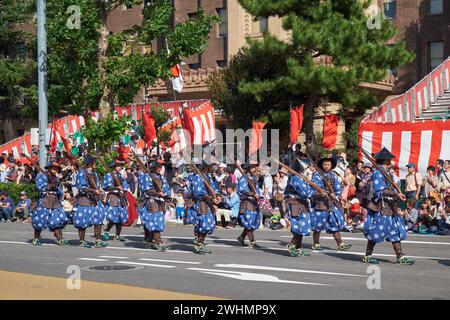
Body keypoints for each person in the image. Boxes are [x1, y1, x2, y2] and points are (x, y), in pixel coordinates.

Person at [362, 147, 414, 265]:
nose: (390, 162)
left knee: (395, 231)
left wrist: (396, 195)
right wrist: (396, 193)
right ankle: (368, 255)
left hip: (391, 206)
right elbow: (380, 191)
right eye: (389, 160)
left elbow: (389, 189)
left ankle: (400, 256)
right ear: (385, 161)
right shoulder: (377, 174)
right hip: (381, 206)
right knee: (376, 231)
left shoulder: (387, 173)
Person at [310, 157, 352, 251]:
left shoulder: (333, 175)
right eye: (325, 164)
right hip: (320, 203)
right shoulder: (317, 175)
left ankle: (340, 243)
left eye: (328, 164)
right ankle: (316, 243)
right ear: (322, 165)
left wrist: (335, 194)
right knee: (318, 225)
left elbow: (338, 188)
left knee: (334, 223)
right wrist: (323, 193)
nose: (327, 166)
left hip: (331, 203)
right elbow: (314, 189)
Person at [74, 155, 108, 248]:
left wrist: (99, 191)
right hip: (85, 199)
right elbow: (81, 188)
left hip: (95, 200)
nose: (95, 164)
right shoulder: (81, 174)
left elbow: (97, 185)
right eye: (94, 162)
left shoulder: (95, 174)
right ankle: (82, 241)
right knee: (82, 221)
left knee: (99, 220)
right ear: (89, 163)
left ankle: (98, 240)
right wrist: (93, 191)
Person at [31, 162, 69, 246]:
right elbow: (39, 187)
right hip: (45, 199)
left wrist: (60, 192)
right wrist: (49, 185)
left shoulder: (56, 178)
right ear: (49, 168)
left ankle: (60, 239)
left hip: (55, 200)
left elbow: (59, 190)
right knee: (40, 220)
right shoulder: (42, 175)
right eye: (54, 168)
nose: (55, 170)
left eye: (56, 168)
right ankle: (36, 238)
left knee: (58, 219)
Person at [137, 160, 171, 251]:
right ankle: (159, 243)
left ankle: (149, 242)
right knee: (154, 221)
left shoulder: (162, 177)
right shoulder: (147, 176)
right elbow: (146, 190)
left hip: (160, 202)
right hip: (150, 201)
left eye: (161, 166)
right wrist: (157, 193)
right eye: (158, 166)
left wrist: (167, 196)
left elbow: (166, 188)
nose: (160, 168)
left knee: (158, 221)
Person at [189, 161, 220, 254]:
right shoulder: (198, 177)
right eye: (212, 166)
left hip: (208, 203)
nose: (214, 168)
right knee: (205, 224)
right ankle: (199, 242)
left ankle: (199, 241)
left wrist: (217, 196)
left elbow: (214, 190)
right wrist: (211, 198)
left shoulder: (209, 177)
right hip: (201, 203)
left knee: (210, 225)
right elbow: (199, 193)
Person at [285, 170, 314, 257]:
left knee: (304, 225)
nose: (307, 170)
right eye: (305, 169)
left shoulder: (302, 178)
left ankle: (298, 248)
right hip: (295, 203)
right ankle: (292, 245)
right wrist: (317, 193)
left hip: (302, 203)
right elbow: (304, 192)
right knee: (299, 225)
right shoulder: (295, 178)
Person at [101, 160, 130, 242]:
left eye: (120, 166)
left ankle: (117, 235)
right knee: (113, 218)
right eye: (118, 166)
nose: (119, 167)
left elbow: (125, 185)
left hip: (121, 197)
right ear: (114, 167)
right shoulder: (109, 175)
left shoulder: (120, 176)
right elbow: (106, 187)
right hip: (113, 196)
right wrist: (116, 188)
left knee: (120, 218)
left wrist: (124, 189)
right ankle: (106, 231)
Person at [237, 163, 262, 248]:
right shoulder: (244, 178)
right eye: (253, 167)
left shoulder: (254, 178)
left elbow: (257, 189)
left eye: (255, 166)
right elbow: (242, 190)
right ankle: (252, 241)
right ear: (248, 168)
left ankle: (242, 237)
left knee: (253, 222)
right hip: (247, 202)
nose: (255, 168)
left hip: (254, 202)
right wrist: (252, 194)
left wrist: (258, 195)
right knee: (248, 222)